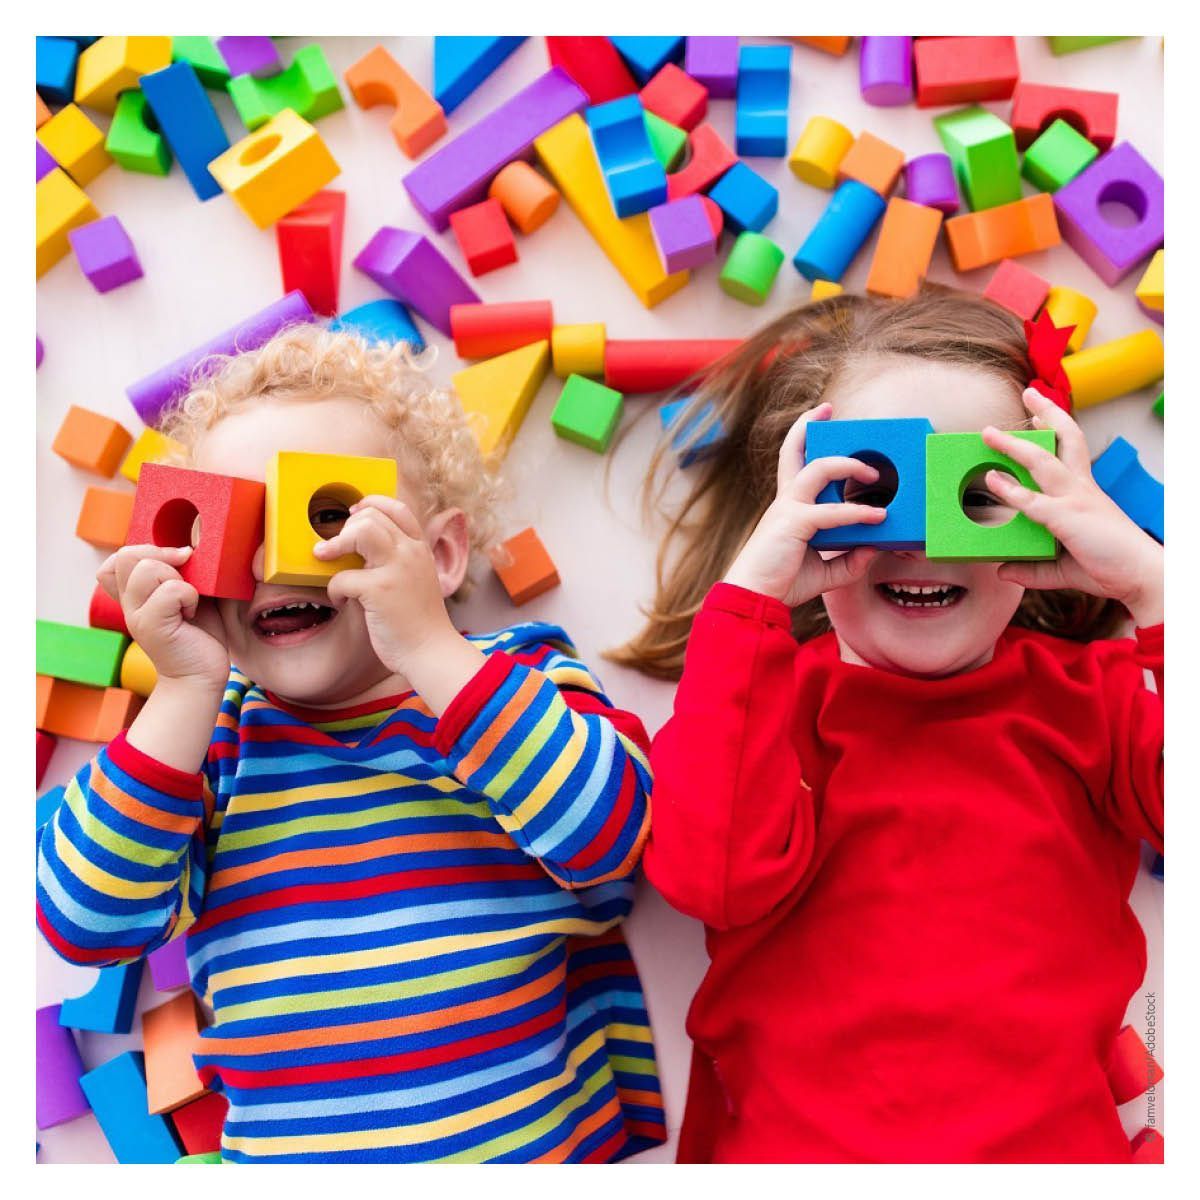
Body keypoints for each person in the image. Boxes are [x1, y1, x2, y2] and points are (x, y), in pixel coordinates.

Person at [37, 323, 665, 1163]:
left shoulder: (514, 681)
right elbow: (83, 921)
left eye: (323, 515)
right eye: (232, 532)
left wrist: (432, 649)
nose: (270, 562)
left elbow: (617, 839)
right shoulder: (210, 748)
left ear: (439, 555)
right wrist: (184, 689)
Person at [612, 288, 1163, 1163]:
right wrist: (748, 605)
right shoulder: (764, 704)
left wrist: (1152, 589)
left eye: (976, 497)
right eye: (872, 493)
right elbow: (707, 877)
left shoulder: (1093, 701)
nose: (918, 543)